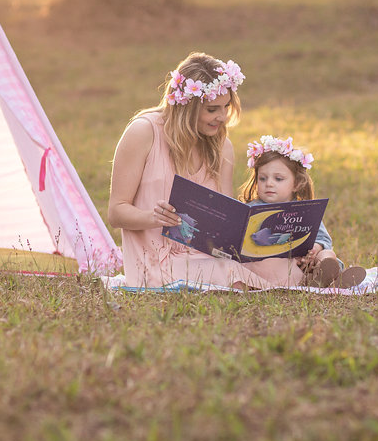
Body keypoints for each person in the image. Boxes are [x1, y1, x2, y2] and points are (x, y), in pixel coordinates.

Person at [109, 52, 304, 289]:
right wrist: (153, 217)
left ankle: (318, 268)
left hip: (207, 256)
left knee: (285, 270)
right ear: (187, 107)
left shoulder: (221, 146)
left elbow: (224, 225)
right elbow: (116, 213)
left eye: (226, 107)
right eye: (212, 109)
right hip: (155, 262)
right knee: (232, 273)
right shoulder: (143, 133)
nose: (222, 117)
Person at [240, 135, 367, 289]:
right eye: (262, 179)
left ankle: (327, 275)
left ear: (297, 184)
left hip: (308, 263)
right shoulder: (252, 210)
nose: (269, 184)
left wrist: (315, 249)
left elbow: (324, 239)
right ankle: (322, 283)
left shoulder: (304, 210)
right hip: (278, 265)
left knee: (327, 255)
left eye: (278, 179)